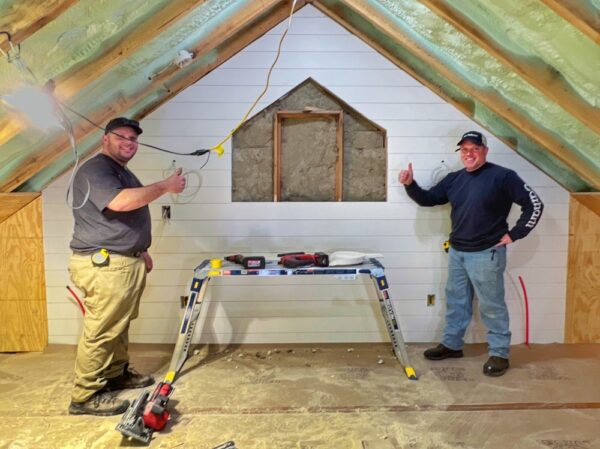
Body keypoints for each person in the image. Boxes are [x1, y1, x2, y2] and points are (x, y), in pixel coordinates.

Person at [399, 131, 543, 377]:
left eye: (475, 148)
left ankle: (499, 353)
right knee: (456, 301)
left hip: (487, 253)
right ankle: (453, 345)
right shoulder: (454, 179)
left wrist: (515, 234)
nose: (469, 153)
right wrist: (410, 184)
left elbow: (534, 205)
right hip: (457, 251)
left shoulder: (503, 177)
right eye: (465, 149)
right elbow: (429, 199)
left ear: (485, 151)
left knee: (492, 306)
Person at [68, 117, 186, 415]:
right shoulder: (96, 169)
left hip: (122, 259)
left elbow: (120, 216)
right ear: (104, 139)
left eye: (133, 139)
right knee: (103, 329)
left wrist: (139, 250)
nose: (129, 143)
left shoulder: (119, 171)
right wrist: (165, 186)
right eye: (122, 137)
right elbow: (120, 203)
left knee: (118, 325)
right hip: (105, 265)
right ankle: (85, 395)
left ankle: (115, 373)